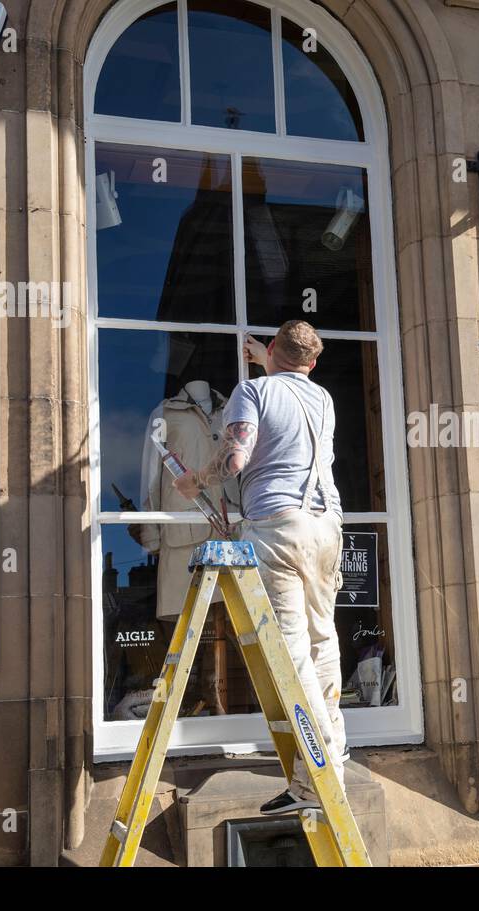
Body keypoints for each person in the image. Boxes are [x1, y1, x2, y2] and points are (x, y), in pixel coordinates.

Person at [173, 320, 347, 815]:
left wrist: (194, 482)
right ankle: (335, 750)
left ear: (272, 350)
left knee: (291, 656)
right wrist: (268, 361)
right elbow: (288, 387)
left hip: (277, 525)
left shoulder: (252, 391)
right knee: (322, 643)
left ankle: (317, 779)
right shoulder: (323, 399)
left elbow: (234, 459)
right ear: (312, 364)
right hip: (327, 526)